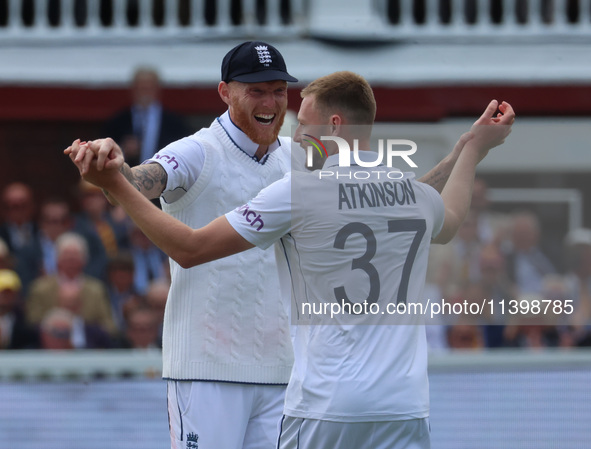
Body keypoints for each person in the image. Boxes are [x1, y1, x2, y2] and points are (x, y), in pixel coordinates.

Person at [68, 70, 514, 448]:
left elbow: (191, 249)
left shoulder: (299, 191)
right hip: (405, 405)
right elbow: (451, 217)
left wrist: (117, 185)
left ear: (333, 126)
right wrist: (472, 148)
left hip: (325, 404)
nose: (294, 134)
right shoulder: (410, 195)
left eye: (304, 122)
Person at [102, 67, 191, 168]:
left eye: (148, 88)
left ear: (157, 89)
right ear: (133, 90)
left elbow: (184, 154)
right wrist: (123, 150)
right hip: (127, 176)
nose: (145, 93)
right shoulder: (118, 121)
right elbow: (105, 154)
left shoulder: (174, 123)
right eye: (141, 88)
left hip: (164, 178)